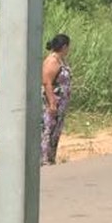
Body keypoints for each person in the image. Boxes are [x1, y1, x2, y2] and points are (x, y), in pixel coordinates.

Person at [41, 32, 72, 164]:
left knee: (55, 131)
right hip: (52, 102)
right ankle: (44, 158)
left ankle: (50, 158)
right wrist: (52, 102)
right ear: (64, 46)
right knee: (48, 129)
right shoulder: (52, 61)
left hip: (61, 103)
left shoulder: (60, 60)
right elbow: (47, 82)